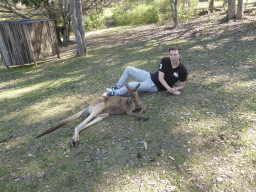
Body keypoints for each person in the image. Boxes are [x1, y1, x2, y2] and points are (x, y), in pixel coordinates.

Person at [105, 45, 187, 96]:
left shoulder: (182, 70)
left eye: (175, 55)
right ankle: (117, 87)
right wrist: (169, 88)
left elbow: (182, 85)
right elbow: (161, 77)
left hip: (154, 85)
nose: (172, 57)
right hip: (150, 76)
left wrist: (175, 89)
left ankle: (114, 93)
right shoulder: (165, 60)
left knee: (131, 85)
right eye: (171, 55)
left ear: (180, 55)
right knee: (128, 69)